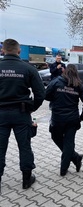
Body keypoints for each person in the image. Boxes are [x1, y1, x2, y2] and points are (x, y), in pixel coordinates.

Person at [0, 39, 45, 191]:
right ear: (19, 52)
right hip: (21, 113)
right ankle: (26, 180)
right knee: (25, 147)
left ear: (3, 51)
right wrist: (31, 108)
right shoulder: (28, 68)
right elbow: (40, 93)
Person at [45, 64, 83, 176]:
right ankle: (74, 158)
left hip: (58, 118)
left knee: (58, 138)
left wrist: (55, 98)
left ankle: (65, 168)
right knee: (68, 143)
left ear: (64, 71)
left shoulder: (56, 82)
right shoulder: (79, 85)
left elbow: (46, 95)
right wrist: (82, 117)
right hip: (72, 119)